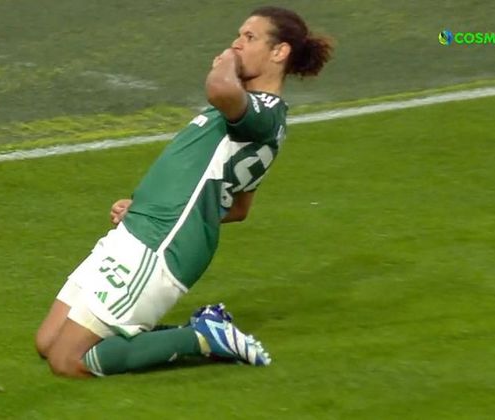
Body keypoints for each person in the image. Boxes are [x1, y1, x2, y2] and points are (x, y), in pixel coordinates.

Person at [35, 6, 333, 377]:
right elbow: (237, 206)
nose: (237, 44)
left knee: (69, 361)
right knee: (48, 342)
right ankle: (194, 330)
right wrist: (146, 205)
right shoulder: (251, 113)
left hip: (162, 243)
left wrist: (227, 62)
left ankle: (202, 338)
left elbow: (219, 87)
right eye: (237, 36)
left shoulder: (263, 112)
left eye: (249, 38)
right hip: (143, 226)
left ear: (279, 52)